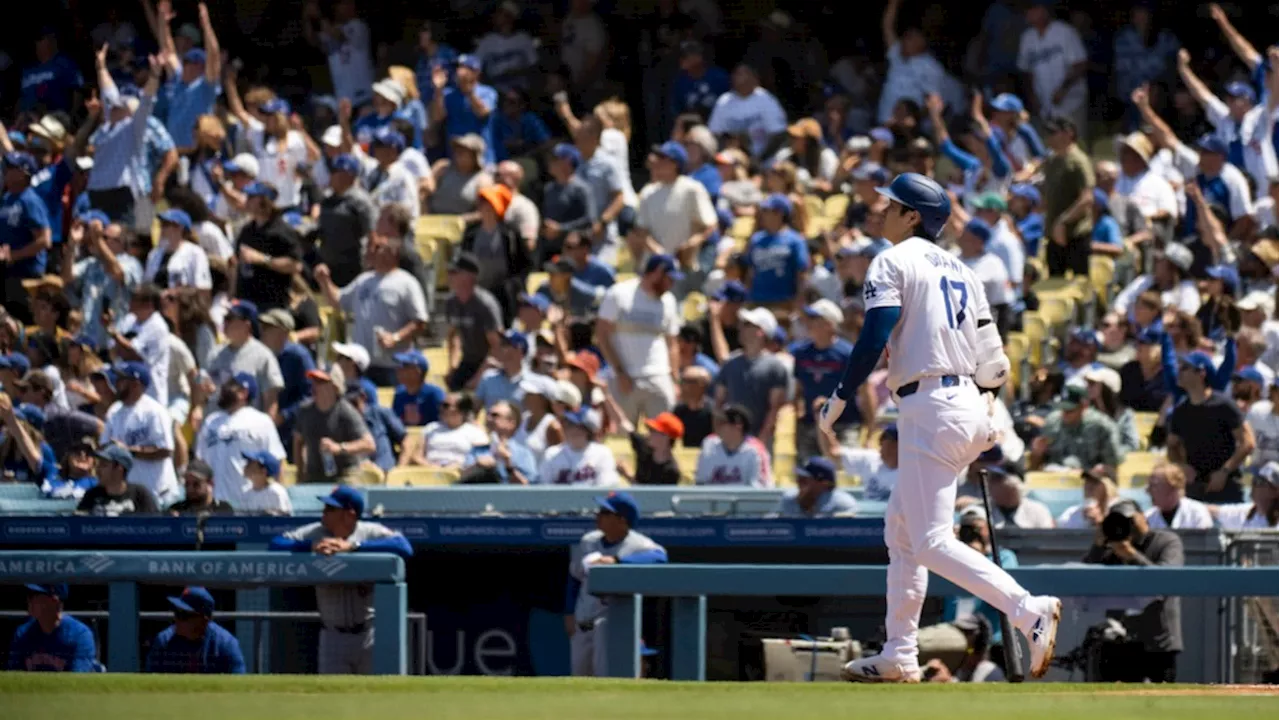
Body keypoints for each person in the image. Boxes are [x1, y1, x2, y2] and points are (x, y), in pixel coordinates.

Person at [818, 172, 1060, 683]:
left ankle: (1026, 609)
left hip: (930, 403)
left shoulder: (892, 259)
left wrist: (842, 395)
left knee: (928, 540)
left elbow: (876, 330)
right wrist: (980, 405)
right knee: (902, 532)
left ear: (912, 216)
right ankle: (899, 654)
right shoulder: (966, 272)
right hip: (962, 402)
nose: (882, 211)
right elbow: (994, 366)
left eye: (892, 205)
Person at [269, 487, 413, 675]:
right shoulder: (316, 532)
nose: (324, 512)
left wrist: (354, 547)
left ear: (349, 514)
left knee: (375, 696)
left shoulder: (368, 532)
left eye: (330, 509)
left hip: (368, 634)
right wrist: (310, 545)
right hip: (333, 635)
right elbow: (275, 544)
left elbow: (404, 547)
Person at [565, 491, 668, 677]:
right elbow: (574, 578)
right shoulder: (588, 541)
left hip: (608, 622)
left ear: (622, 520)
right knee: (578, 675)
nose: (598, 515)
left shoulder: (638, 544)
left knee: (603, 674)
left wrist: (617, 560)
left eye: (605, 512)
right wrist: (568, 612)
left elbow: (660, 558)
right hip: (582, 622)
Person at [1082, 499, 1185, 682]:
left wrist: (1131, 555)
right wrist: (1098, 546)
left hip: (1158, 641)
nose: (1125, 526)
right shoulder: (1110, 547)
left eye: (1129, 520)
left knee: (1161, 703)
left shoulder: (1166, 541)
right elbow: (1085, 578)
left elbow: (1166, 579)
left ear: (1142, 517)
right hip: (1119, 640)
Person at [315, 232, 427, 387]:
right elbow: (338, 301)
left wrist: (395, 337)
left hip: (393, 366)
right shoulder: (364, 280)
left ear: (393, 253)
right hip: (362, 365)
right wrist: (324, 281)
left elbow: (420, 322)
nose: (371, 251)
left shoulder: (407, 283)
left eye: (378, 247)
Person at [596, 255, 683, 423]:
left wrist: (674, 379)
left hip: (659, 377)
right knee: (622, 436)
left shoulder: (669, 301)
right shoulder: (618, 294)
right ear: (657, 273)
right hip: (624, 378)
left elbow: (672, 344)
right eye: (669, 279)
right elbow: (602, 335)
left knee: (664, 434)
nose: (672, 284)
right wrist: (620, 372)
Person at [1168, 351, 1254, 503]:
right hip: (1195, 488)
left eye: (1185, 368)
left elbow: (1248, 442)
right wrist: (1182, 466)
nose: (1178, 372)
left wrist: (1224, 471)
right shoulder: (1181, 411)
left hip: (1227, 487)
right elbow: (1172, 446)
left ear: (1201, 373)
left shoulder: (1223, 405)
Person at [100, 362, 178, 504]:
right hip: (130, 496)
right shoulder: (114, 411)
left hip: (158, 493)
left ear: (136, 384)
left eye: (122, 379)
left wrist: (127, 451)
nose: (116, 383)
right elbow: (104, 447)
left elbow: (165, 450)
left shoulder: (154, 411)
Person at [294, 364, 375, 484]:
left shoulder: (345, 411)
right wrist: (300, 474)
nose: (315, 386)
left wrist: (339, 448)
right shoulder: (305, 411)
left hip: (345, 474)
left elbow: (369, 444)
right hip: (314, 476)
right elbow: (297, 441)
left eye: (321, 381)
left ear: (335, 387)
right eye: (314, 381)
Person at [145, 586, 245, 674]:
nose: (176, 619)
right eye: (176, 613)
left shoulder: (225, 644)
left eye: (183, 615)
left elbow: (239, 684)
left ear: (204, 621)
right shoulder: (164, 641)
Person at [7, 584, 96, 672]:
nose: (29, 600)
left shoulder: (80, 635)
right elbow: (14, 675)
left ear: (54, 601)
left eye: (34, 595)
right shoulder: (22, 633)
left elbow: (78, 679)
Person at [693, 404, 772, 487]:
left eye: (721, 422)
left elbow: (762, 489)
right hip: (713, 499)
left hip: (744, 499)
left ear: (738, 425)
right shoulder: (709, 445)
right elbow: (700, 483)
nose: (716, 425)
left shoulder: (755, 450)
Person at [537, 409, 620, 486]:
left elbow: (605, 487)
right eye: (569, 425)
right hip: (559, 501)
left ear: (588, 430)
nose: (573, 430)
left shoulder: (602, 453)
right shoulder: (551, 453)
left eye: (578, 426)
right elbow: (544, 487)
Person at [76, 444, 159, 516]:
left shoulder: (140, 495)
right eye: (98, 465)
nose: (98, 470)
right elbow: (78, 526)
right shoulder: (92, 495)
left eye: (104, 465)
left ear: (119, 468)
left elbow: (156, 527)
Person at [828, 424, 900, 502]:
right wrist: (825, 426)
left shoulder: (913, 472)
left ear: (897, 444)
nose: (880, 442)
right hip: (869, 513)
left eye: (884, 438)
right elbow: (833, 453)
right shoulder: (871, 459)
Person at [774, 457, 857, 518]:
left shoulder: (842, 503)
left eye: (804, 480)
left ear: (825, 483)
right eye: (798, 478)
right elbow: (771, 527)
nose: (798, 482)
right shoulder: (789, 498)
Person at [1144, 461, 1214, 530]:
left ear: (1173, 487)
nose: (1147, 491)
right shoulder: (1148, 517)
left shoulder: (1197, 512)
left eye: (1154, 486)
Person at [390, 350, 445, 427]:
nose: (399, 369)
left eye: (405, 366)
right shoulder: (399, 393)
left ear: (418, 371)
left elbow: (443, 424)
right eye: (400, 365)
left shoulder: (435, 394)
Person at [167, 459, 234, 515]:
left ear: (210, 484)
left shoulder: (223, 509)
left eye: (196, 484)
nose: (190, 489)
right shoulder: (176, 510)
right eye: (187, 484)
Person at [238, 449, 292, 515]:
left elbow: (284, 521)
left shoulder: (276, 492)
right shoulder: (245, 493)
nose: (246, 465)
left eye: (251, 462)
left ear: (263, 471)